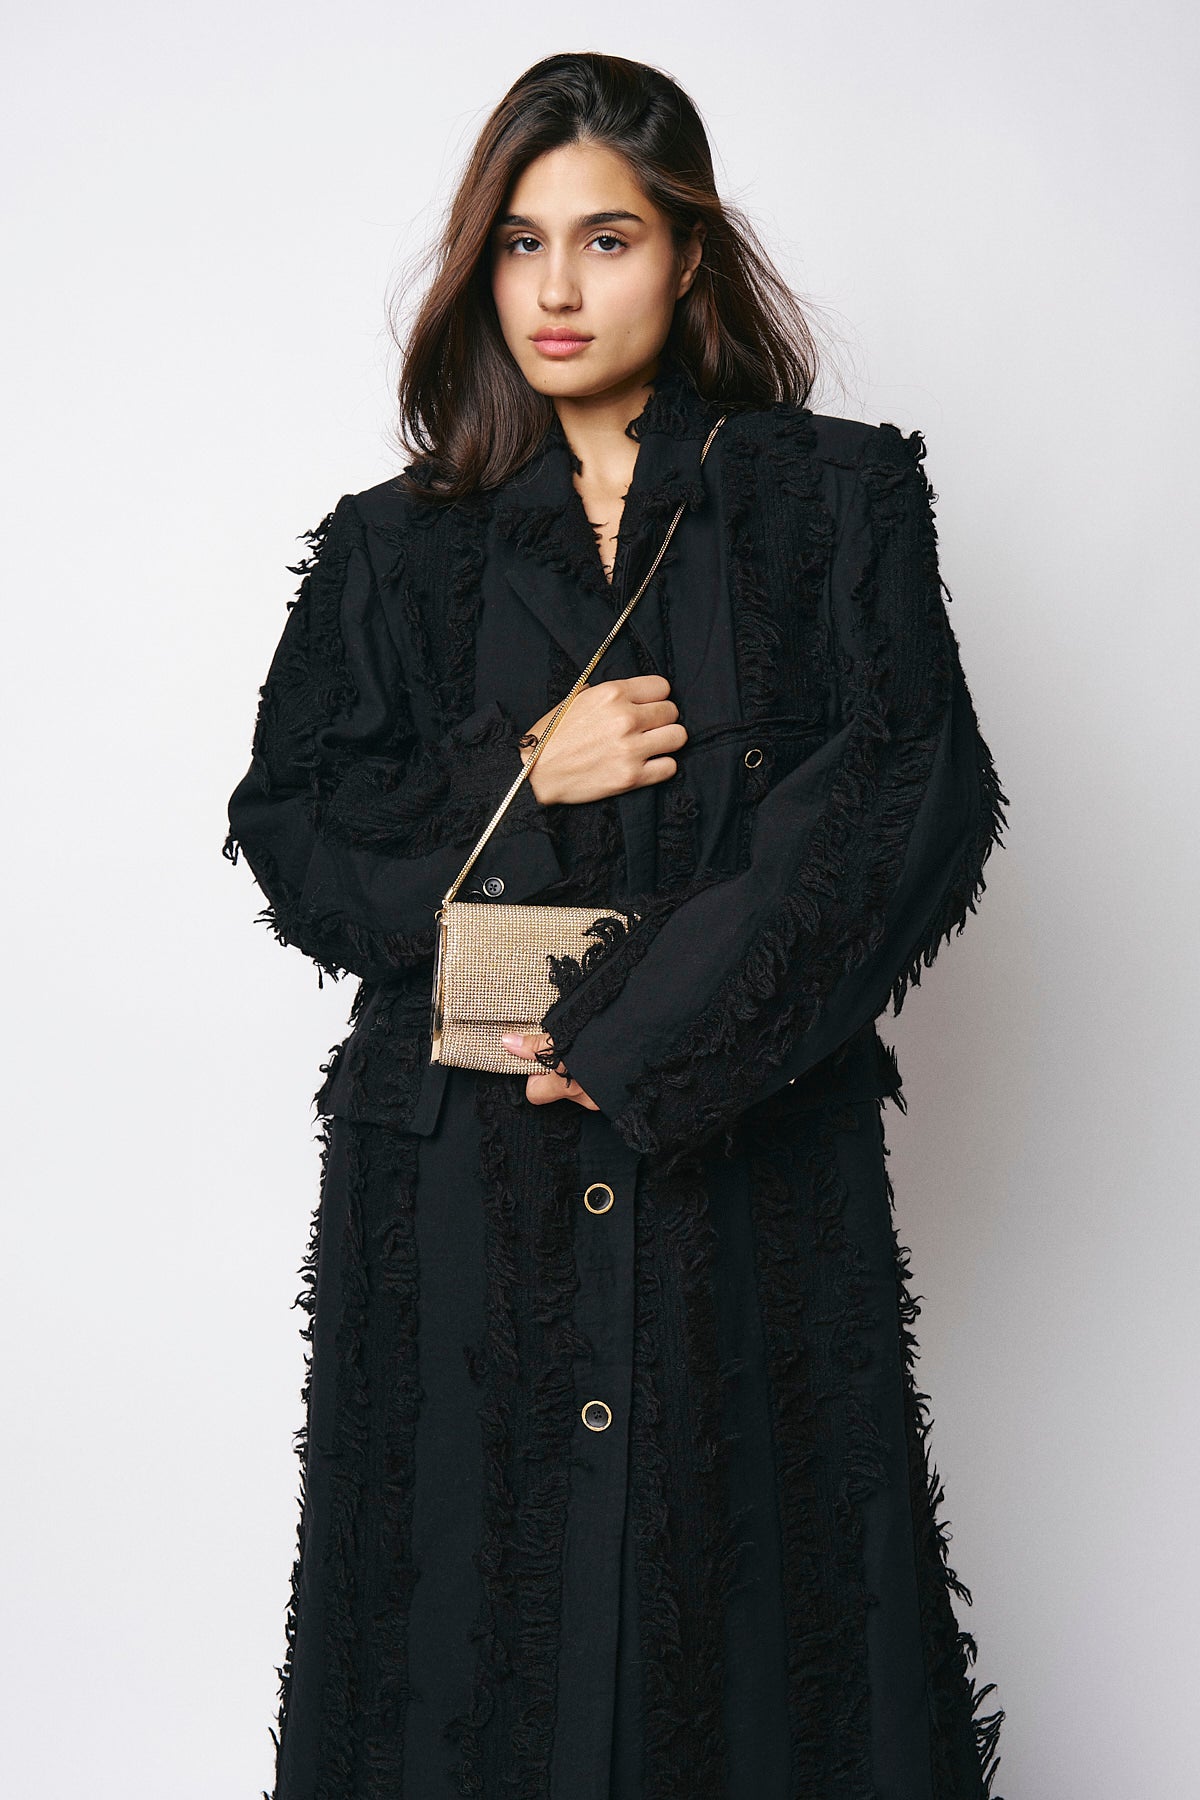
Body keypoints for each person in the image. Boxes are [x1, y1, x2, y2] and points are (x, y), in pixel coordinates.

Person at [223, 48, 1009, 1800]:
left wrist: (647, 1041)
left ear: (689, 255)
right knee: (456, 1651)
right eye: (520, 244)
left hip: (743, 1176)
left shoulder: (835, 504)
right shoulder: (391, 551)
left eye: (607, 238)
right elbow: (297, 835)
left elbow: (904, 796)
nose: (557, 290)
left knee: (759, 1641)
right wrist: (527, 771)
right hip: (456, 1206)